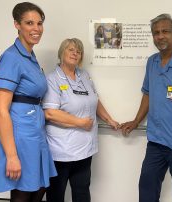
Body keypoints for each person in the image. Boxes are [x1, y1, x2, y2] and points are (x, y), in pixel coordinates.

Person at [120, 14, 172, 202]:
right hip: (156, 141)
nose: (160, 36)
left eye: (165, 31)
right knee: (146, 189)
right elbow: (147, 93)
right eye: (156, 33)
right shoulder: (152, 62)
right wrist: (136, 120)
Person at [0, 2, 57, 202]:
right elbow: (0, 108)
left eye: (39, 23)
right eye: (29, 23)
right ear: (17, 25)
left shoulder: (30, 56)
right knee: (23, 191)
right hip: (19, 134)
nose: (36, 29)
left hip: (35, 130)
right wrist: (11, 156)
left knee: (39, 185)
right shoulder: (11, 57)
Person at [42, 38, 119, 202]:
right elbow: (50, 113)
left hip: (84, 149)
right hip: (61, 151)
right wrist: (80, 123)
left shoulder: (84, 75)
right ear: (62, 53)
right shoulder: (52, 79)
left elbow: (95, 101)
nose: (75, 53)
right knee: (56, 194)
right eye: (70, 49)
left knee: (82, 191)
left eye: (78, 51)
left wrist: (109, 119)